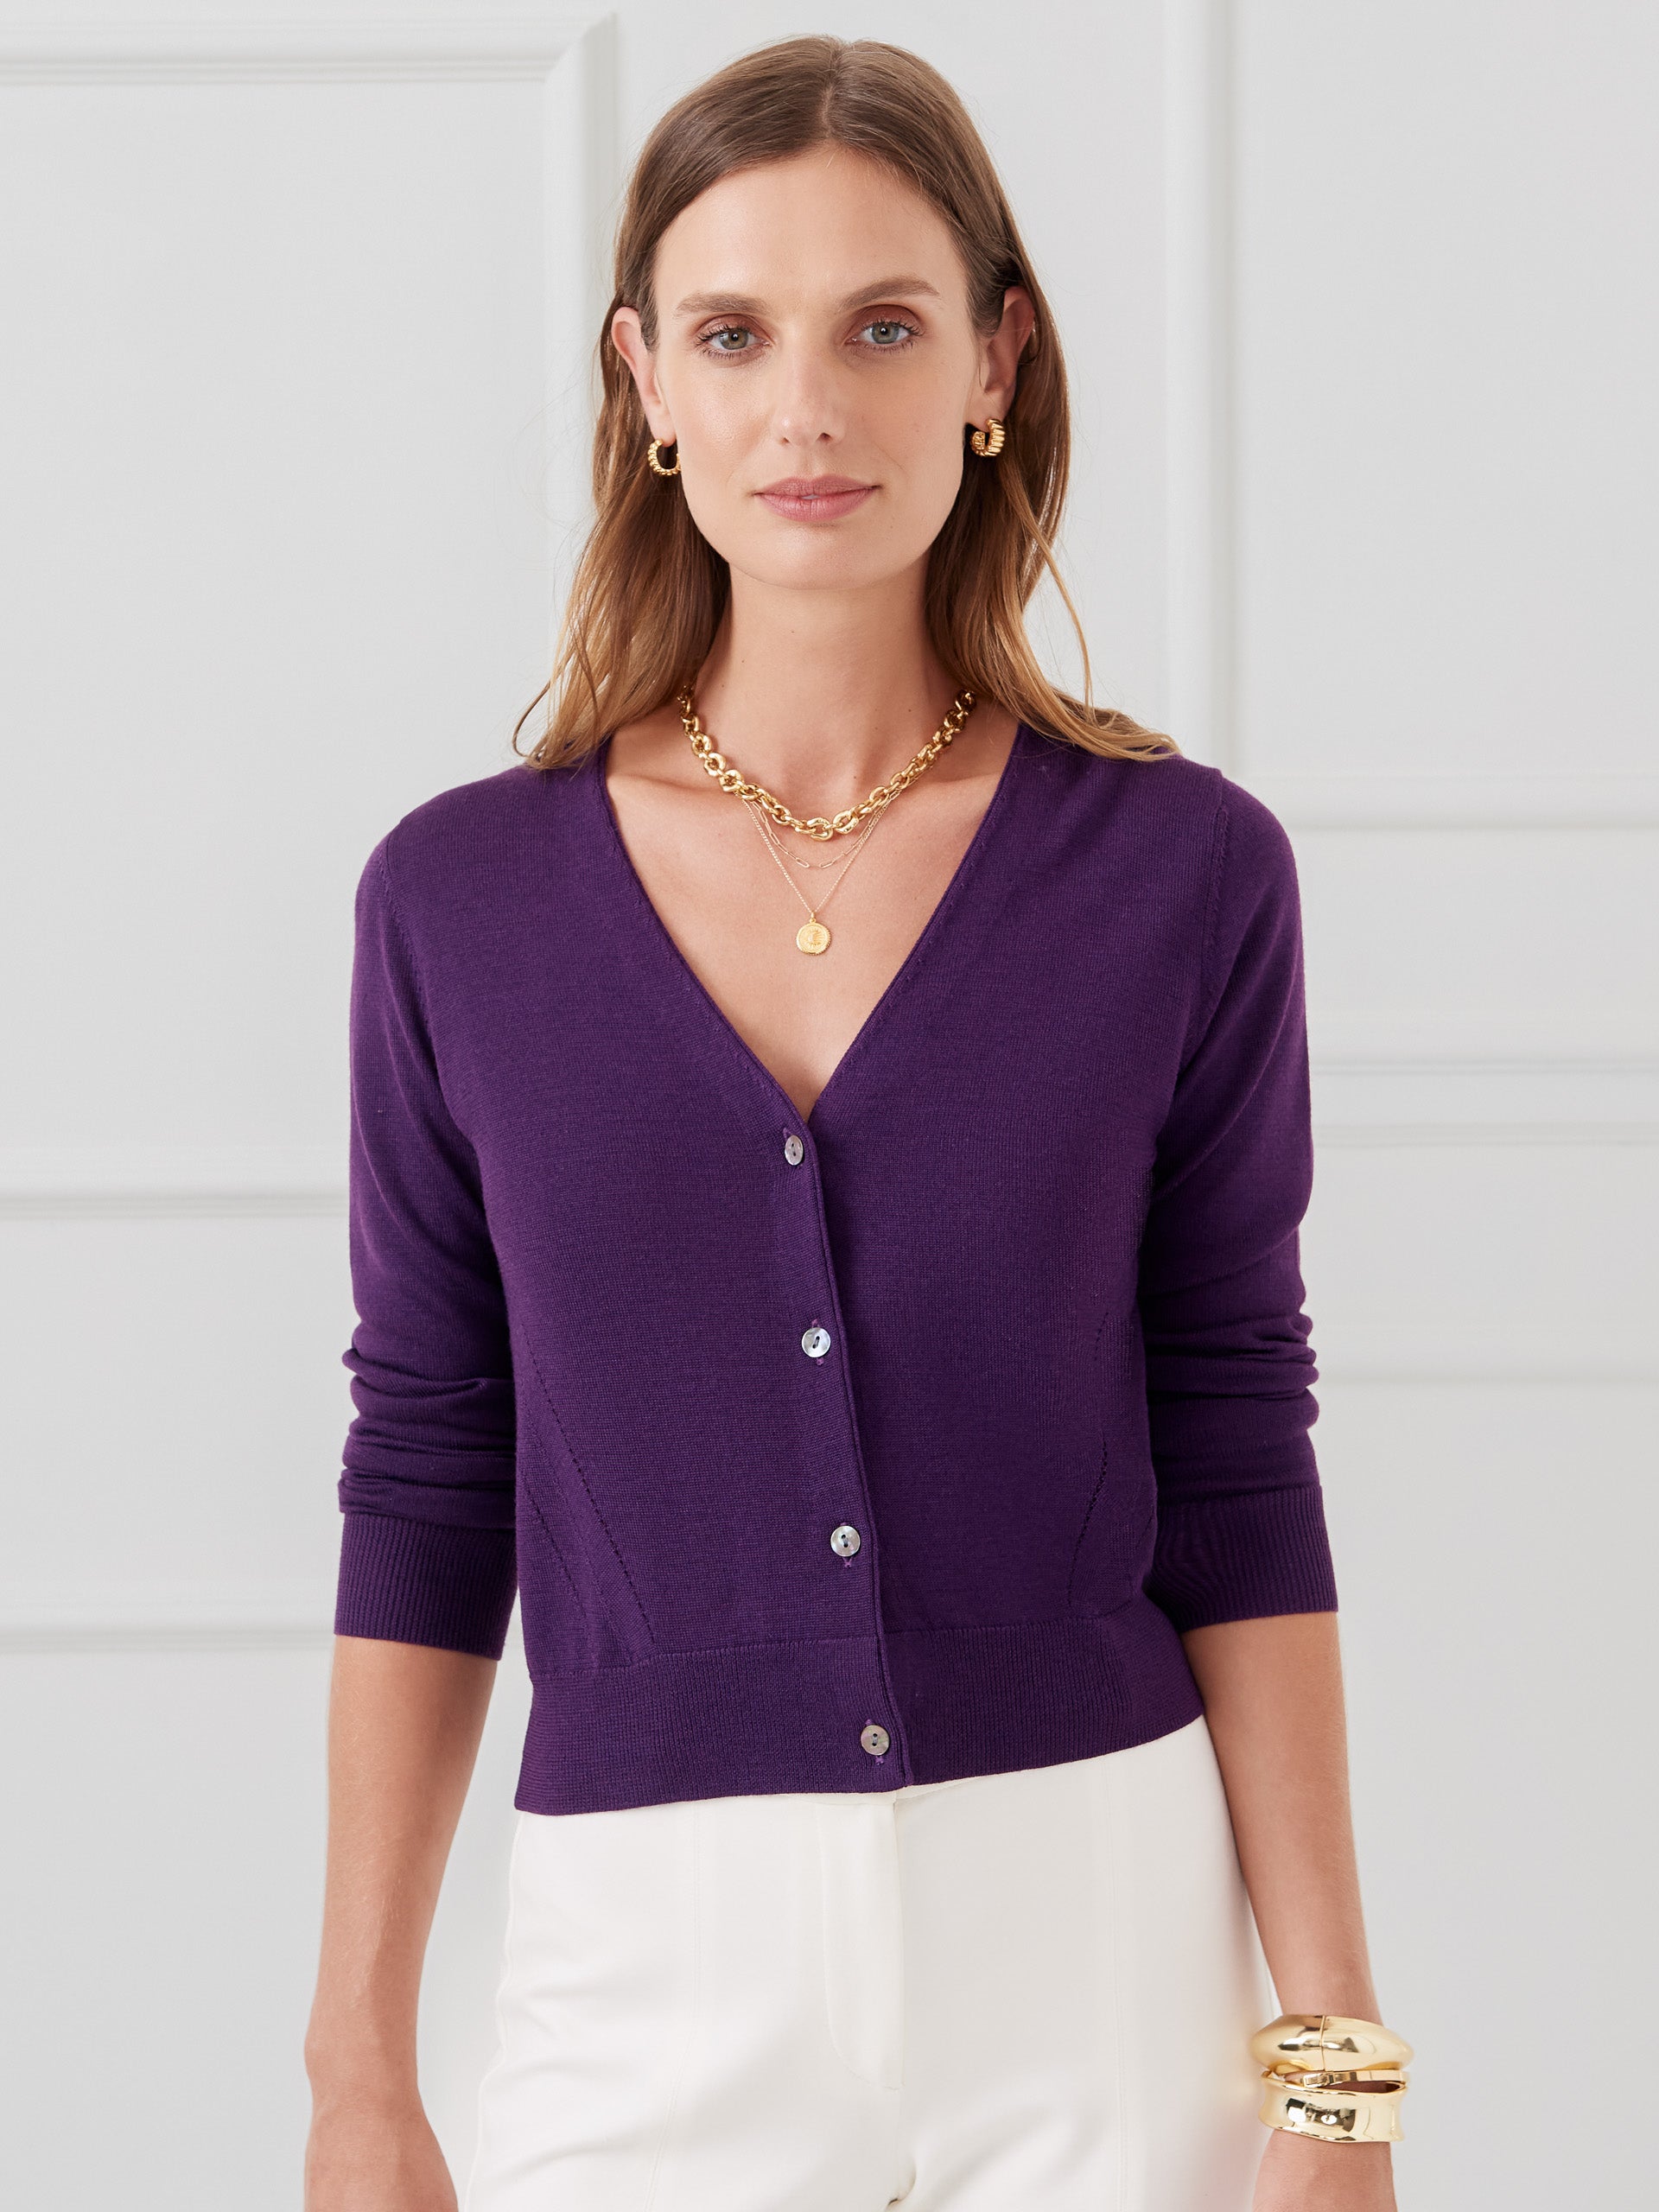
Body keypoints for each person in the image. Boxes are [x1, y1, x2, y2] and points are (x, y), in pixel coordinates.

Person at [302, 35, 1406, 2212]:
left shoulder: (1183, 874)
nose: (806, 405)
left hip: (1101, 1950)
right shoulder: (459, 903)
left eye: (882, 327)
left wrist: (1337, 2068)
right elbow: (426, 1464)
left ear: (997, 362)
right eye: (733, 333)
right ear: (645, 381)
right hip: (644, 1975)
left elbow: (1238, 1445)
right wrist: (357, 2075)